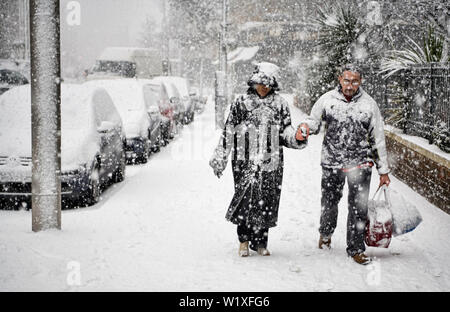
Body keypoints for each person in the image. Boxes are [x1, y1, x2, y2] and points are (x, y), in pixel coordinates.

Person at [296, 63, 391, 265]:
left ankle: (356, 249)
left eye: (354, 81)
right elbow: (313, 121)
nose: (350, 85)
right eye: (347, 80)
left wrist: (383, 170)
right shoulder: (327, 100)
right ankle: (326, 233)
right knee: (329, 203)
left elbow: (378, 138)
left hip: (361, 164)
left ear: (360, 81)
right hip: (332, 163)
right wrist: (305, 127)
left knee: (359, 208)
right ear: (340, 79)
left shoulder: (369, 104)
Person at [210, 62, 307, 257]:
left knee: (267, 199)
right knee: (245, 199)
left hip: (272, 161)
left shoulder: (280, 104)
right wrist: (220, 157)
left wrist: (296, 137)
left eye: (268, 83)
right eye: (260, 83)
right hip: (243, 160)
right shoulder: (241, 103)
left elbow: (286, 131)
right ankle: (244, 241)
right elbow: (229, 130)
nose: (263, 87)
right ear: (253, 82)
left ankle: (261, 241)